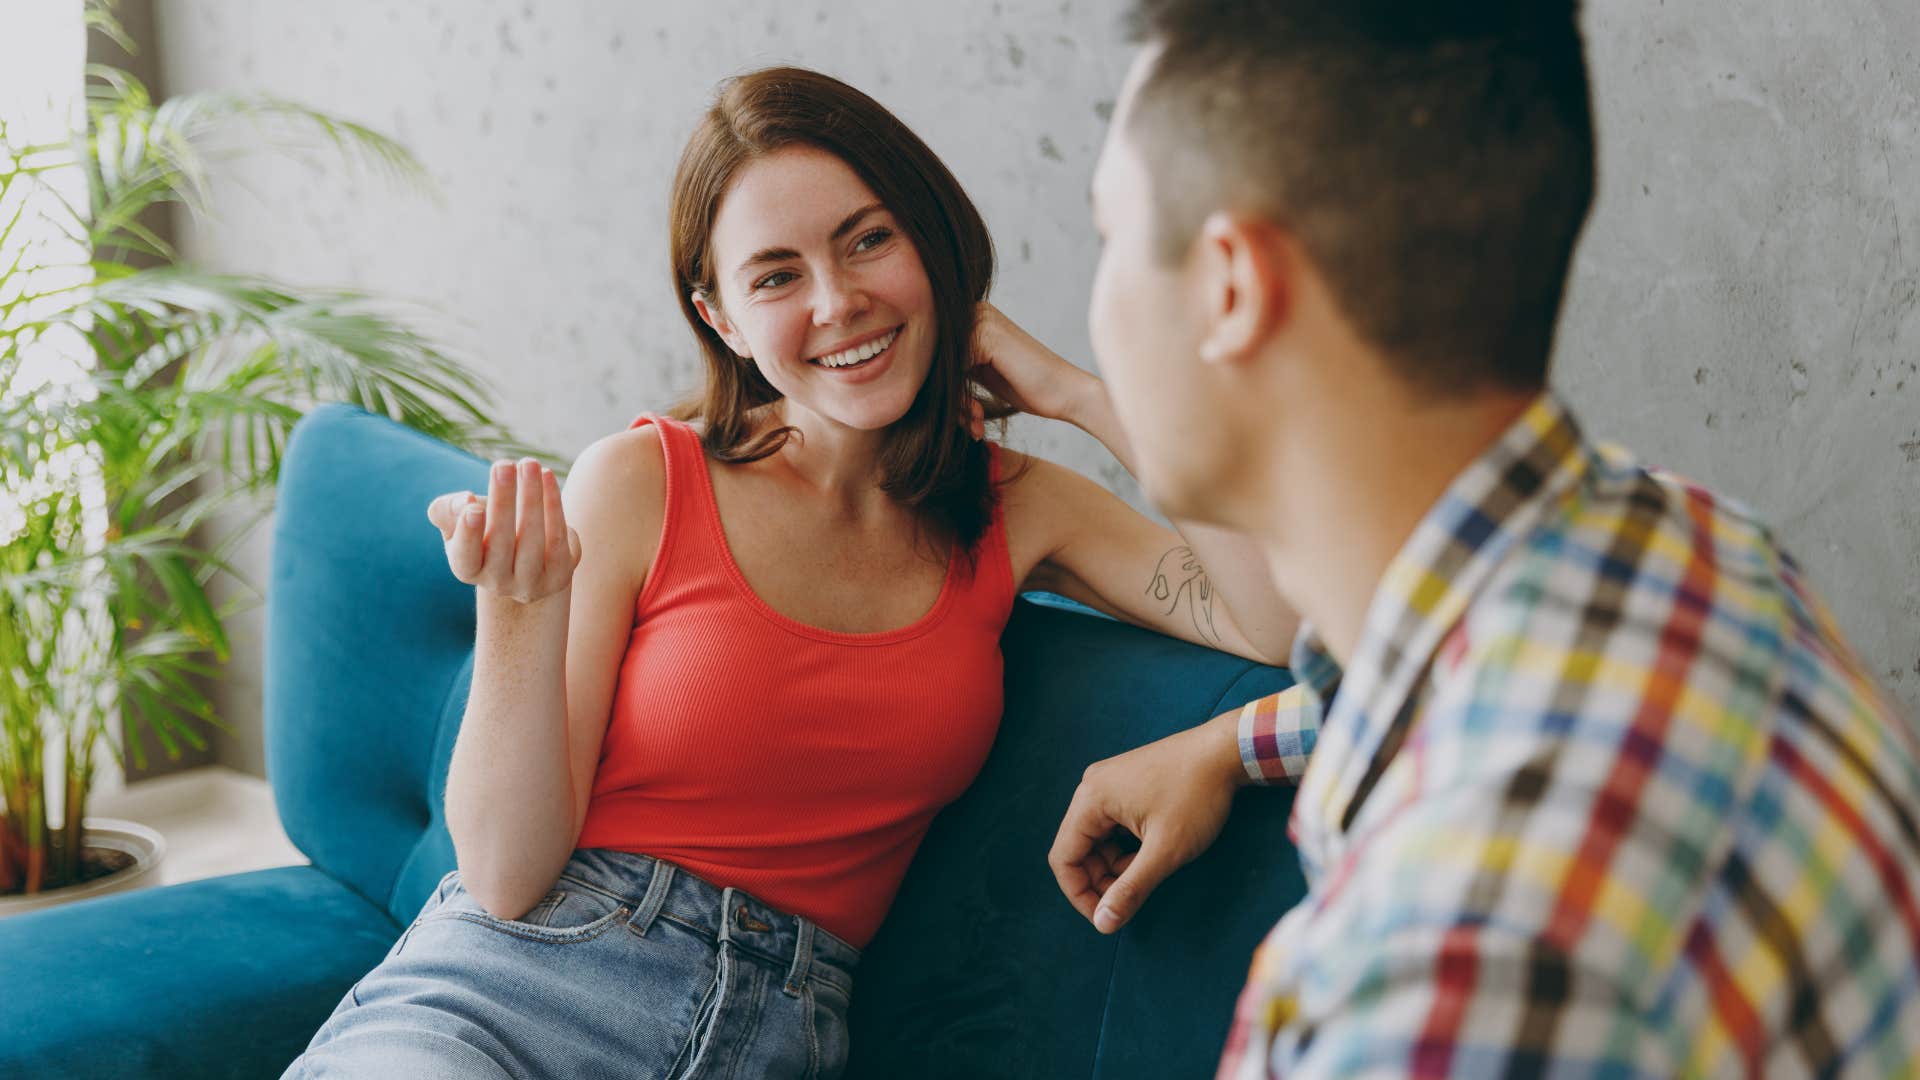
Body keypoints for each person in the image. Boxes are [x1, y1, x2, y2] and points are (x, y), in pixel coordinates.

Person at [284, 65, 1295, 1080]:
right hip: (518, 990)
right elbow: (502, 876)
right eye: (776, 275)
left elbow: (1275, 624)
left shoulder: (1020, 505)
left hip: (778, 1036)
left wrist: (1076, 392)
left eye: (868, 240)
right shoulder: (643, 481)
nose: (839, 303)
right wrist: (517, 608)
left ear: (933, 248)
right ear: (721, 318)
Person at [1046, 2, 1920, 1076]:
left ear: (1231, 288)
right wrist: (1225, 744)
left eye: (1109, 236)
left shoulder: (1448, 971)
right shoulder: (1689, 539)